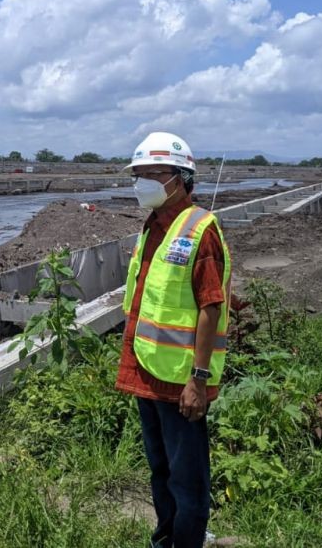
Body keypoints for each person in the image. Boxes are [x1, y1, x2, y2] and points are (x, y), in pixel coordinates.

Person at [115, 131, 231, 548]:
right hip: (147, 372)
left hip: (182, 381)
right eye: (137, 175)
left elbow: (211, 306)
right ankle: (165, 538)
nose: (141, 183)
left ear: (179, 178)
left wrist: (197, 380)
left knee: (188, 479)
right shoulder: (154, 226)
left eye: (151, 174)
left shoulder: (199, 229)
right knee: (160, 470)